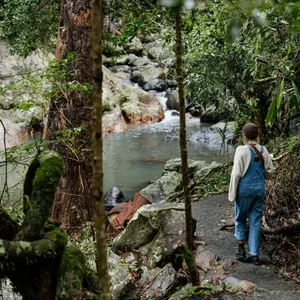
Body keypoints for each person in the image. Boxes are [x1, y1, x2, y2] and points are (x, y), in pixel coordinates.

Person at [229, 123, 274, 265]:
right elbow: (270, 171)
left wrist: (232, 193)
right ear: (257, 135)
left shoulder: (241, 150)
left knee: (240, 217)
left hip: (244, 189)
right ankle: (254, 254)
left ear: (244, 135)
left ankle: (241, 249)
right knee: (255, 221)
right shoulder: (263, 150)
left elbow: (236, 174)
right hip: (259, 189)